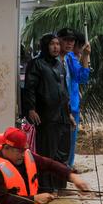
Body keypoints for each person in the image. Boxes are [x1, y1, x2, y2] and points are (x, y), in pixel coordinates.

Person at [22, 33, 71, 191]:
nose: (56, 47)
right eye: (52, 44)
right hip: (46, 116)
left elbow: (64, 91)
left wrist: (68, 113)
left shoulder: (59, 64)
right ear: (45, 46)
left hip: (62, 116)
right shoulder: (36, 64)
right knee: (46, 154)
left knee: (62, 154)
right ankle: (45, 188)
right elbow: (29, 88)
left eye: (57, 43)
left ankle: (60, 187)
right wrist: (31, 109)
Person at [57, 28, 91, 167]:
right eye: (66, 40)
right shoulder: (67, 58)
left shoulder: (70, 59)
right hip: (61, 107)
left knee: (70, 142)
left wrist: (85, 57)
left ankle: (67, 169)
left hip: (72, 107)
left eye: (72, 41)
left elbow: (82, 77)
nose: (70, 45)